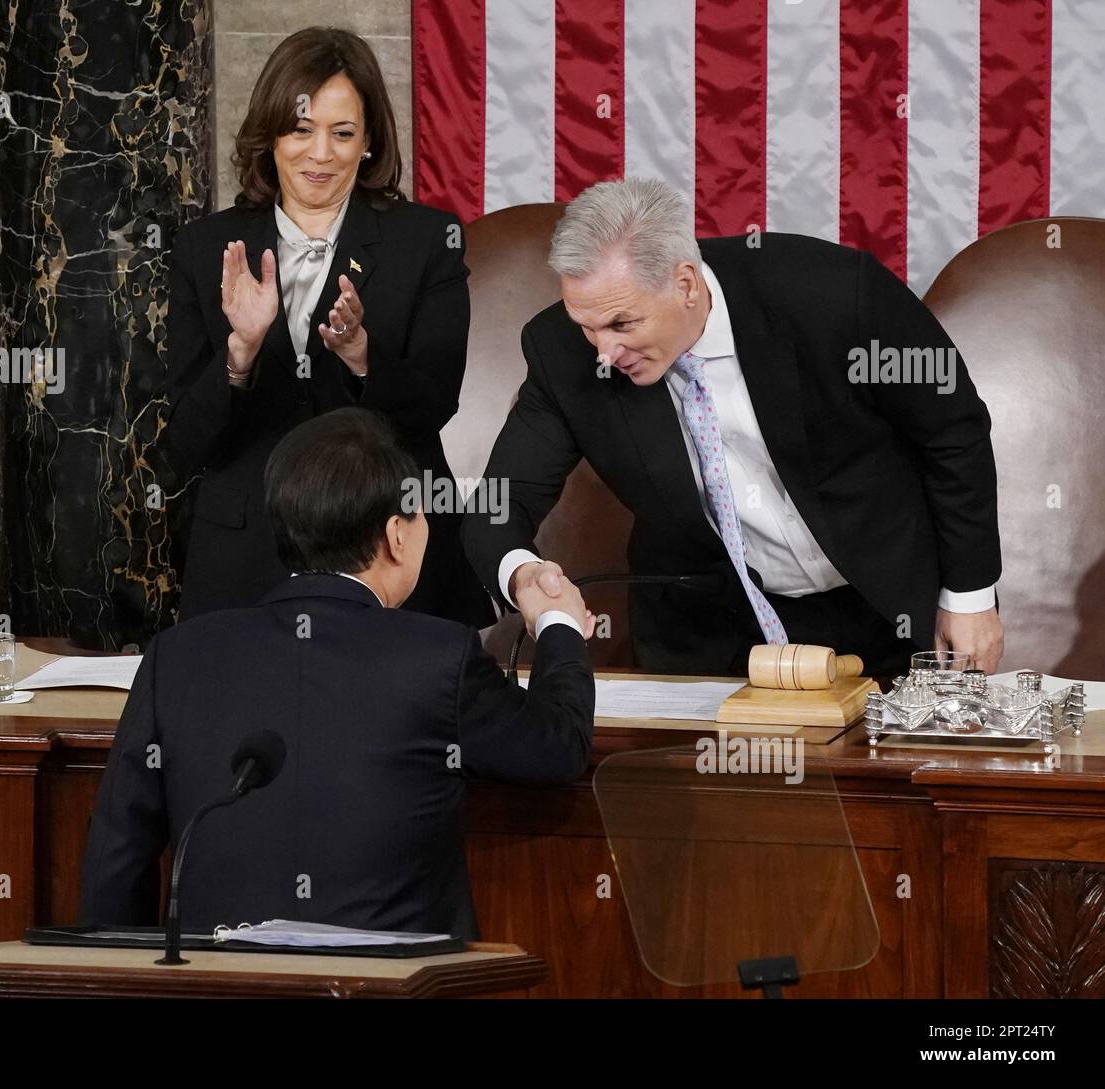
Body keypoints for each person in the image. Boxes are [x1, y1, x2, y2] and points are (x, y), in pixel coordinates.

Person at [80, 408, 595, 940]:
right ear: (397, 534)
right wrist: (558, 623)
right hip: (393, 984)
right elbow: (557, 745)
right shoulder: (439, 655)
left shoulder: (178, 656)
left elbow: (116, 860)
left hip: (218, 980)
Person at [463, 177, 1004, 677]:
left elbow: (952, 431)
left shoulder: (835, 295)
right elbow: (499, 504)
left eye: (622, 324)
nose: (604, 352)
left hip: (885, 607)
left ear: (686, 284)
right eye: (586, 326)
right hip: (711, 634)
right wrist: (522, 574)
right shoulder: (561, 353)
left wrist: (970, 595)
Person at [164, 26, 490, 627]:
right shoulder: (203, 247)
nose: (321, 154)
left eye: (342, 133)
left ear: (369, 142)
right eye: (300, 129)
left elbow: (434, 403)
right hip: (247, 558)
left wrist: (363, 356)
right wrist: (239, 353)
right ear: (271, 136)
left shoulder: (426, 241)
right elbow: (181, 442)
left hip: (391, 548)